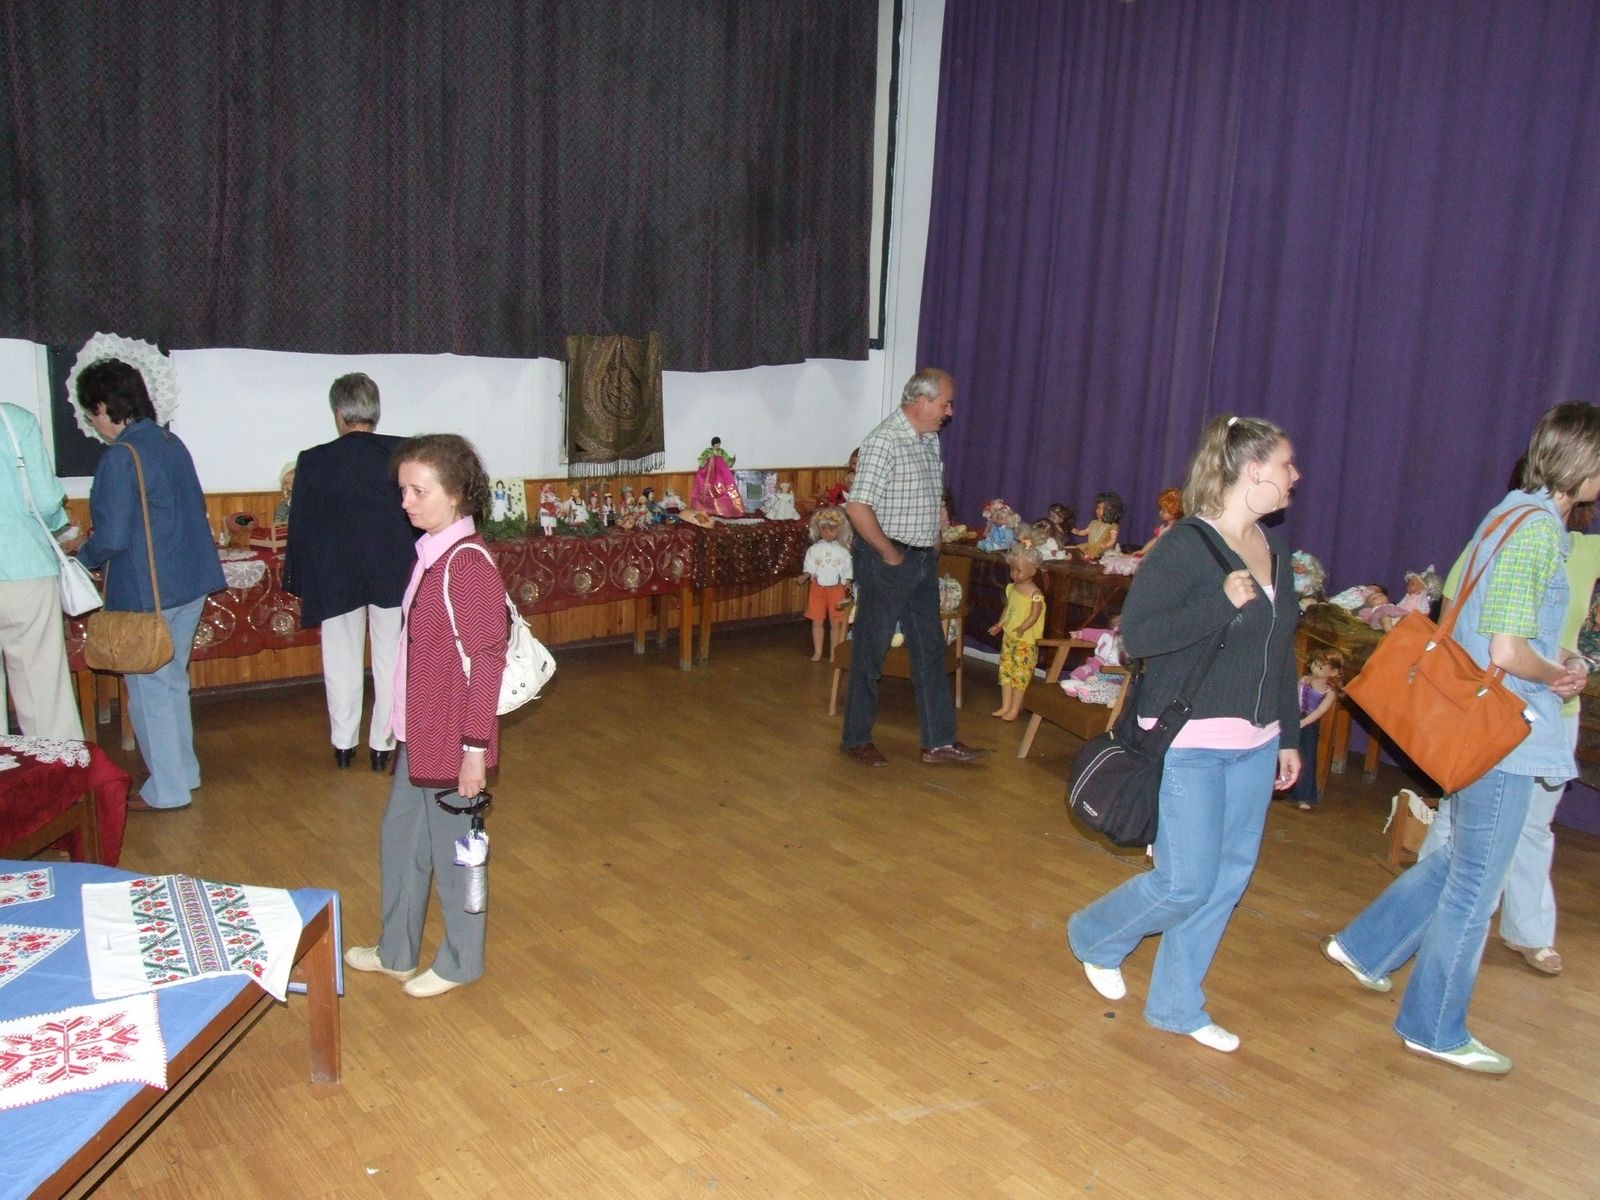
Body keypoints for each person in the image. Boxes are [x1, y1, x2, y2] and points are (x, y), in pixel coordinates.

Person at [1322, 403, 1600, 1074]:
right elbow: (1506, 650)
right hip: (1504, 727)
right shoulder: (1539, 529)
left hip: (1483, 716)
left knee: (1459, 860)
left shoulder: (1512, 512)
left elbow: (1497, 623)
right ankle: (1434, 1026)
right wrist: (1560, 675)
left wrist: (1555, 654)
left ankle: (1365, 946)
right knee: (1478, 879)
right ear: (1582, 461)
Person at [1067, 414, 1303, 1053]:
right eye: (1286, 464)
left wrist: (1287, 735)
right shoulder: (1184, 547)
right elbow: (1138, 639)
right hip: (1191, 741)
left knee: (1228, 880)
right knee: (1185, 882)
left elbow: (1280, 650)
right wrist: (1220, 601)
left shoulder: (1274, 549)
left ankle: (1176, 1005)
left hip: (1256, 744)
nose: (1295, 475)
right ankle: (1094, 935)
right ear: (1252, 470)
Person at [345, 434, 509, 999]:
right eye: (403, 490)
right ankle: (397, 952)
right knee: (401, 842)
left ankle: (463, 962)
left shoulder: (467, 565)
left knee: (460, 857)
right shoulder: (432, 553)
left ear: (457, 493)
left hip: (453, 740)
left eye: (419, 491)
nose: (406, 502)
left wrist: (474, 750)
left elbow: (487, 661)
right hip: (421, 732)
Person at [1427, 494, 1600, 979]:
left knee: (1534, 826)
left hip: (1554, 708)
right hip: (1494, 705)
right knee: (1458, 822)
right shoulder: (1510, 531)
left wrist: (1576, 662)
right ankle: (1421, 924)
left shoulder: (1585, 551)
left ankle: (1528, 931)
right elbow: (1459, 621)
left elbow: (1574, 637)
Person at [72, 359, 224, 810]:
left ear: (104, 407)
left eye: (92, 414)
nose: (94, 424)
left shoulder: (121, 457)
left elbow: (112, 537)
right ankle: (182, 772)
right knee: (172, 681)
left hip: (149, 590)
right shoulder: (170, 442)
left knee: (148, 689)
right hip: (190, 581)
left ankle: (167, 789)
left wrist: (80, 558)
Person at [841, 368, 986, 767]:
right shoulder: (884, 441)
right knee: (871, 651)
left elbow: (930, 496)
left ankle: (939, 741)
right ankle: (855, 739)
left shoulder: (929, 440)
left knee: (930, 651)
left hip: (922, 559)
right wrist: (889, 554)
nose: (949, 412)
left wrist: (934, 535)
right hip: (887, 560)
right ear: (921, 401)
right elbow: (857, 507)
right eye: (945, 404)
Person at [284, 373, 419, 772]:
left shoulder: (314, 460)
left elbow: (300, 526)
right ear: (374, 411)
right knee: (391, 659)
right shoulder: (404, 454)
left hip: (335, 574)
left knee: (340, 660)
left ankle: (343, 745)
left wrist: (299, 578)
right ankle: (383, 745)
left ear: (339, 413)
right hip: (392, 571)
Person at [0, 402, 83, 739]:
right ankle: (57, 766)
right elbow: (47, 501)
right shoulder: (14, 420)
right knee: (42, 686)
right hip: (25, 567)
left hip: (24, 568)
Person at [988, 545, 1046, 721]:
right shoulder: (1012, 588)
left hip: (1025, 642)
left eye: (1018, 570)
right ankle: (1006, 705)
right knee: (1006, 673)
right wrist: (1000, 624)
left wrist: (1022, 627)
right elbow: (1008, 608)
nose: (1014, 574)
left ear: (1033, 569)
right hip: (1009, 638)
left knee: (1019, 677)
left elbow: (1034, 615)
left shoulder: (1035, 594)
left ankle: (1014, 708)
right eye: (1012, 569)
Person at [1290, 648, 1342, 811]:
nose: (1314, 668)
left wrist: (1304, 722)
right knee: (1286, 749)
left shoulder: (1329, 692)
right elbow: (1294, 697)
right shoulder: (1305, 680)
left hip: (1310, 724)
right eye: (1313, 663)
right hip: (1295, 718)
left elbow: (1320, 711)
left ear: (1333, 672)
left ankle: (1304, 795)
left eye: (1320, 667)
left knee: (1307, 758)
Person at [802, 506, 853, 661]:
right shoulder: (814, 549)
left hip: (837, 589)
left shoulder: (844, 551)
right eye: (823, 529)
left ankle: (834, 653)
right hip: (818, 588)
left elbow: (847, 570)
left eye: (831, 529)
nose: (827, 533)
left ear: (840, 530)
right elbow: (809, 567)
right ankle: (818, 651)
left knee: (836, 623)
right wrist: (805, 575)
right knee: (817, 621)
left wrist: (848, 582)